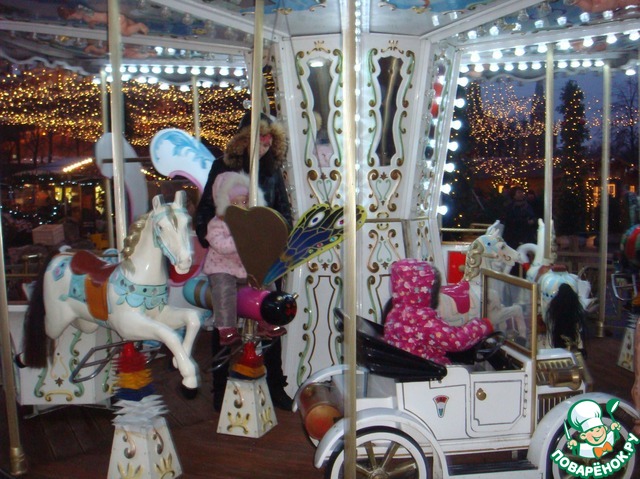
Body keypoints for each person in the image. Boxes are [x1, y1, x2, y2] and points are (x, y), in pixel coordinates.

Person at [195, 110, 293, 411]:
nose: (263, 148)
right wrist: (211, 235)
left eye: (268, 143)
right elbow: (208, 206)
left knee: (271, 308)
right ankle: (220, 386)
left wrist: (277, 238)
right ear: (244, 140)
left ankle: (275, 383)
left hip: (261, 256)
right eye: (259, 141)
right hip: (228, 255)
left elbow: (282, 210)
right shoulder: (222, 167)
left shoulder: (272, 171)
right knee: (224, 313)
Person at [384, 259, 493, 365]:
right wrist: (481, 326)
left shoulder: (394, 312)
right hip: (428, 368)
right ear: (426, 292)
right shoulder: (423, 319)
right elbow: (455, 341)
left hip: (407, 364)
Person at [203, 171, 264, 346]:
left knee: (266, 280)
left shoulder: (252, 222)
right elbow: (220, 245)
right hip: (221, 267)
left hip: (245, 268)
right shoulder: (217, 223)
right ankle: (226, 328)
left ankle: (267, 319)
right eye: (235, 203)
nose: (240, 206)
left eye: (244, 202)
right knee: (224, 289)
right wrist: (242, 239)